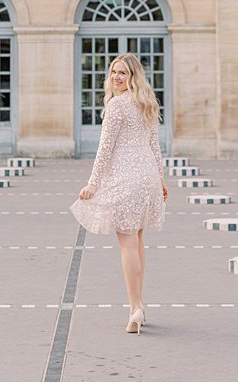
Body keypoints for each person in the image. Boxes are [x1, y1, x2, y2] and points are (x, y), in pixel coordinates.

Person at [69, 53, 168, 334]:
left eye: (122, 73)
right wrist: (159, 180)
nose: (116, 77)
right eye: (114, 72)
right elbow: (154, 147)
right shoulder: (147, 103)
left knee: (127, 244)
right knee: (136, 239)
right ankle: (138, 303)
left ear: (133, 76)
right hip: (146, 178)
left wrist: (92, 183)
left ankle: (135, 307)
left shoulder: (116, 106)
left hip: (127, 180)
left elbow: (105, 148)